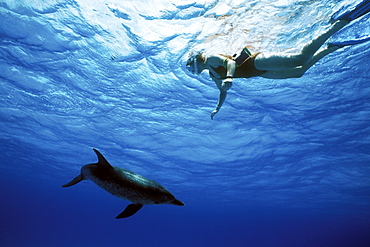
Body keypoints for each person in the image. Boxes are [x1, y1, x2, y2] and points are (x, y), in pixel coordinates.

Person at [186, 0, 370, 120]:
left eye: (190, 66)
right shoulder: (211, 74)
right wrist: (218, 107)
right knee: (298, 72)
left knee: (299, 58)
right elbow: (222, 91)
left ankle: (340, 23)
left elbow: (230, 63)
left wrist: (229, 78)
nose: (190, 70)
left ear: (196, 60)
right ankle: (331, 48)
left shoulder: (210, 58)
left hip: (255, 62)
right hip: (260, 73)